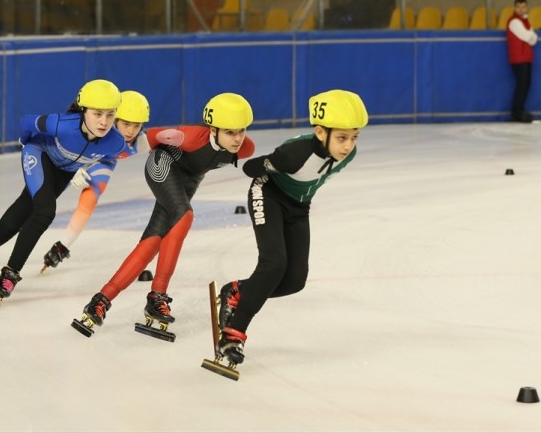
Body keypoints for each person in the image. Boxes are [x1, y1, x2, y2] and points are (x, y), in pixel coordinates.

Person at [0, 79, 129, 306]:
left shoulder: (116, 143)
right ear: (83, 109)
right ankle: (11, 272)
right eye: (97, 114)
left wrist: (88, 169)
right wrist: (25, 143)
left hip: (63, 173)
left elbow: (110, 157)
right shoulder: (61, 124)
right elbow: (26, 122)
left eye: (110, 114)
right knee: (45, 212)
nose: (104, 121)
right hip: (40, 154)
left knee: (12, 223)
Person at [72, 92, 256, 337]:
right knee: (184, 214)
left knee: (155, 238)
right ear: (213, 130)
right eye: (230, 132)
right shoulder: (188, 136)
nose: (237, 139)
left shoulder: (246, 148)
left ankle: (101, 300)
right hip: (163, 165)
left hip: (188, 182)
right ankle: (157, 295)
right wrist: (86, 164)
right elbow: (144, 139)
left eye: (241, 131)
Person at [213, 89, 368, 366]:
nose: (348, 146)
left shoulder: (349, 154)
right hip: (268, 194)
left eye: (354, 137)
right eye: (342, 137)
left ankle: (237, 291)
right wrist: (272, 162)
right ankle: (233, 335)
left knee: (294, 280)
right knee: (273, 264)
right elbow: (251, 168)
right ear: (321, 132)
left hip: (299, 207)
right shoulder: (295, 152)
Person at [39, 90, 151, 274]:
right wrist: (72, 169)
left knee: (89, 200)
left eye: (137, 125)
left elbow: (170, 139)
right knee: (43, 198)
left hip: (103, 162)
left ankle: (62, 247)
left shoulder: (142, 143)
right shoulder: (95, 133)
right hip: (73, 158)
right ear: (114, 120)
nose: (131, 131)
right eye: (126, 124)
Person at [506, 0, 538, 123]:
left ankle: (519, 109)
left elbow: (534, 39)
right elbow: (528, 37)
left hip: (525, 57)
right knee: (522, 85)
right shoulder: (514, 22)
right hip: (518, 58)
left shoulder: (525, 21)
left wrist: (531, 36)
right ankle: (516, 112)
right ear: (514, 8)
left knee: (526, 84)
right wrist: (530, 35)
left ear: (526, 7)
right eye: (518, 7)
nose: (521, 9)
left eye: (523, 7)